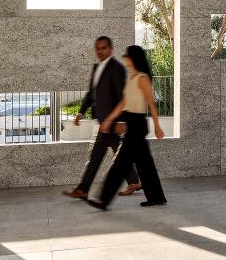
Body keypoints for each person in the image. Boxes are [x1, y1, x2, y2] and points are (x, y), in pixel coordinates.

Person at [89, 43, 167, 209]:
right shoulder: (131, 78)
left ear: (133, 58)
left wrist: (158, 126)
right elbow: (124, 103)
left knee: (121, 163)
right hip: (132, 123)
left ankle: (103, 199)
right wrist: (110, 119)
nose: (124, 57)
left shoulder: (142, 78)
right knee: (145, 163)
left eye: (127, 55)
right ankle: (157, 197)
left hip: (138, 124)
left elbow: (151, 104)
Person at [64, 35, 141, 200]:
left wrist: (121, 120)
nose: (99, 51)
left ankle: (84, 189)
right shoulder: (96, 67)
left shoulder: (117, 68)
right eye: (97, 48)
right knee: (116, 153)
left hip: (110, 122)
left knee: (96, 156)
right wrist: (81, 112)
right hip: (103, 121)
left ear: (110, 49)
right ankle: (134, 181)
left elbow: (122, 96)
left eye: (103, 48)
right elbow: (91, 93)